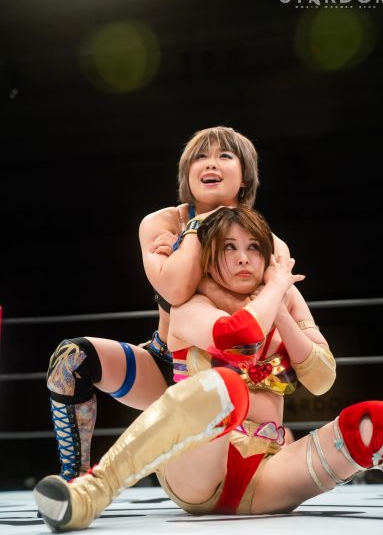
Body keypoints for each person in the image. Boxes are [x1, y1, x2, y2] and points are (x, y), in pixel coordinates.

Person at [34, 206, 383, 531]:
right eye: (229, 248)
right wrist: (277, 288)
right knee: (226, 386)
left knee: (379, 421)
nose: (243, 258)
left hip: (266, 473)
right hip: (197, 472)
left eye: (253, 247)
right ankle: (91, 491)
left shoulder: (282, 303)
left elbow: (322, 378)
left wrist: (283, 312)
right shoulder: (189, 307)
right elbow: (238, 335)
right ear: (209, 258)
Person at [46, 126, 291, 481]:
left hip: (231, 378)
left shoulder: (268, 244)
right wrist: (195, 229)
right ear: (187, 173)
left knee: (242, 475)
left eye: (224, 156)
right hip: (165, 366)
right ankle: (74, 478)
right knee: (71, 359)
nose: (210, 163)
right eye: (201, 157)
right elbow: (176, 291)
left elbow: (251, 321)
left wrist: (185, 251)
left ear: (245, 178)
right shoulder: (160, 223)